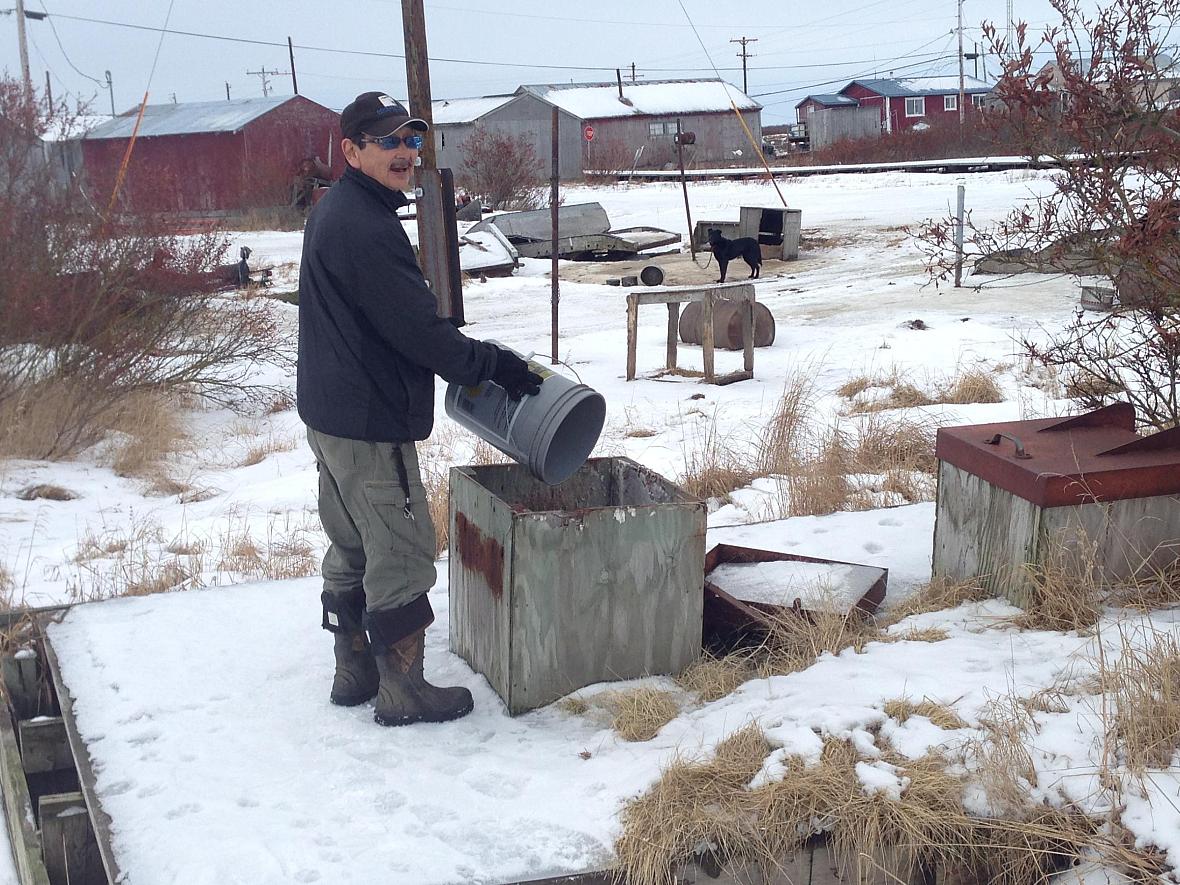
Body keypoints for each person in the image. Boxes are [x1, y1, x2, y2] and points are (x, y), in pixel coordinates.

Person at [296, 92, 542, 727]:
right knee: (401, 550)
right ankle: (403, 692)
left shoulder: (336, 210)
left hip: (331, 414)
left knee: (353, 541)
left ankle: (353, 673)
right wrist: (495, 365)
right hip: (367, 418)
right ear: (351, 151)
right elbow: (419, 332)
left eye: (411, 141)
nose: (405, 153)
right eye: (388, 142)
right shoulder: (366, 227)